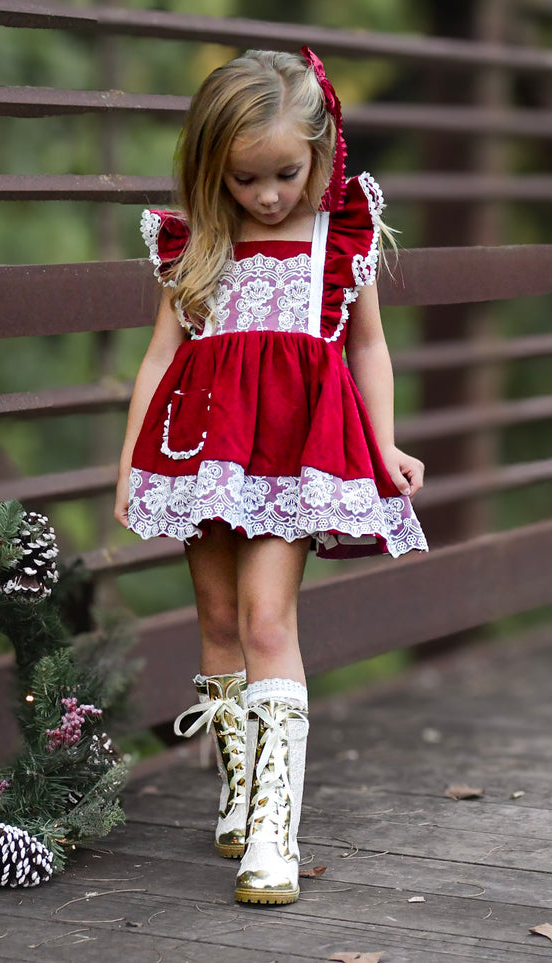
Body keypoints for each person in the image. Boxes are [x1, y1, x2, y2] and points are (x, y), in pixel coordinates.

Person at [114, 47, 428, 906]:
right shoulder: (195, 241)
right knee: (216, 619)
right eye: (244, 178)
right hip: (204, 453)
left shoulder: (339, 235)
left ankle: (274, 829)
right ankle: (239, 786)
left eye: (284, 174)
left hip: (294, 455)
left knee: (263, 619)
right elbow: (158, 357)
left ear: (320, 153)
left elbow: (365, 345)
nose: (266, 196)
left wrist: (385, 442)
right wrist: (131, 459)